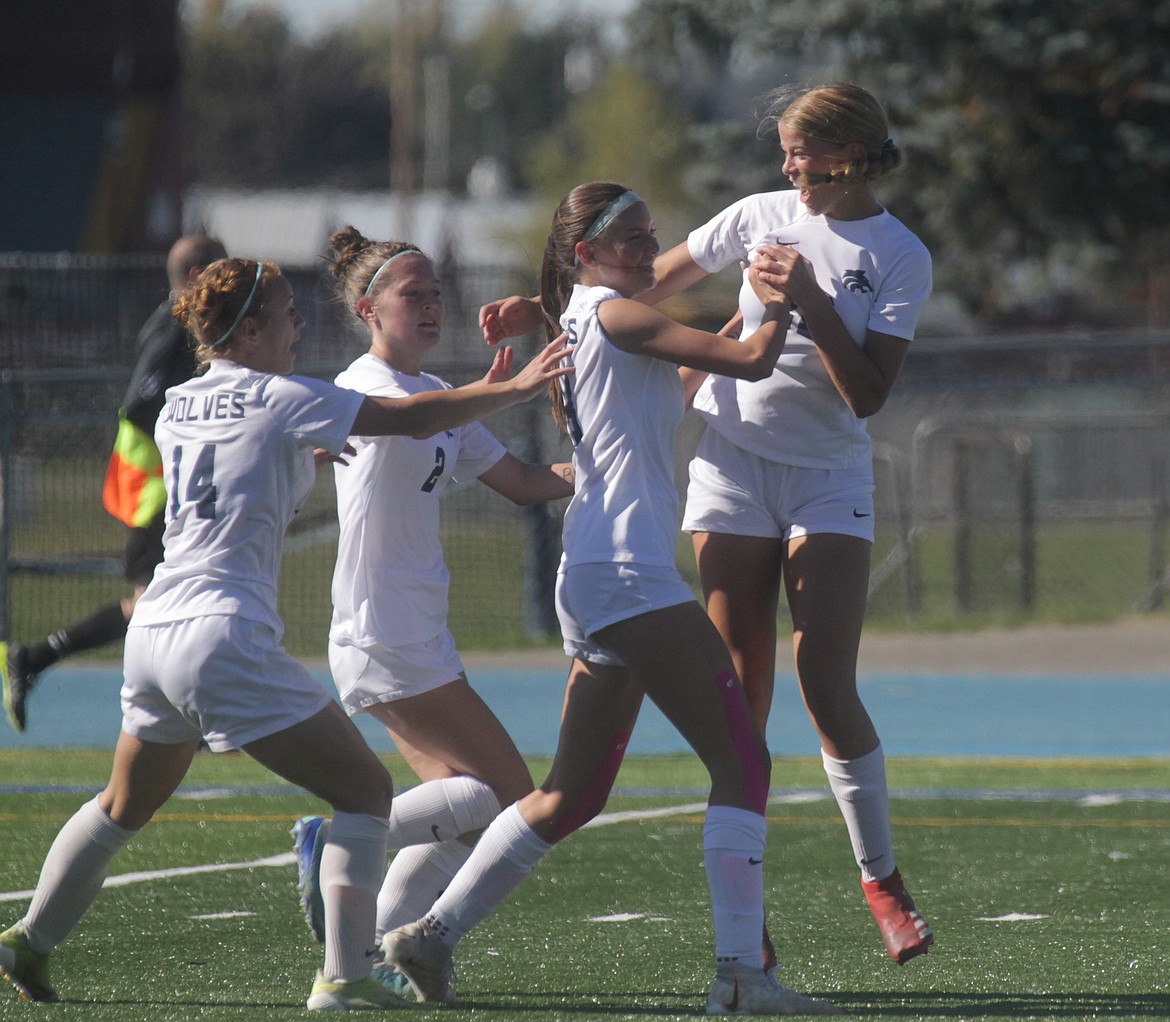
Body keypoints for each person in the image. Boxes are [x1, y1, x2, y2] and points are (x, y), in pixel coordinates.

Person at [0, 257, 573, 1011]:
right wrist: (515, 387)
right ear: (255, 330)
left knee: (120, 807)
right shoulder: (285, 396)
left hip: (154, 631)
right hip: (221, 636)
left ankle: (29, 940)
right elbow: (402, 419)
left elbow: (242, 470)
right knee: (366, 792)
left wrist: (300, 454)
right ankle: (343, 974)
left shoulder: (179, 403)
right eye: (288, 315)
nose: (300, 326)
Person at [479, 82, 935, 967]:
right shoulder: (759, 214)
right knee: (741, 693)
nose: (787, 167)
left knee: (827, 681)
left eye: (801, 153)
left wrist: (804, 299)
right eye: (787, 153)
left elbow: (870, 395)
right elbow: (629, 283)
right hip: (729, 468)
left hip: (826, 476)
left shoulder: (899, 254)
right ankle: (746, 924)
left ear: (846, 153)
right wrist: (537, 309)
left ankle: (879, 876)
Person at [382, 182, 840, 1016]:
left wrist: (746, 309)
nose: (645, 249)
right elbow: (748, 362)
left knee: (572, 794)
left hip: (598, 574)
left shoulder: (598, 321)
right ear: (582, 252)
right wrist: (783, 300)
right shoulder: (612, 315)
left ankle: (431, 934)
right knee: (743, 762)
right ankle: (742, 979)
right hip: (627, 576)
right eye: (626, 238)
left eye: (649, 234)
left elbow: (696, 373)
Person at [290, 227, 575, 989]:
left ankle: (380, 950)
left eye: (435, 293)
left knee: (476, 809)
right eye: (411, 294)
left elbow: (519, 479)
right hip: (385, 630)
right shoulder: (367, 385)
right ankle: (337, 840)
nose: (430, 305)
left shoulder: (435, 397)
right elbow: (409, 420)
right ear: (368, 309)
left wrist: (602, 470)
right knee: (517, 799)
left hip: (415, 630)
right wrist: (509, 390)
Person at [1, 234, 227, 735]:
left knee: (158, 600)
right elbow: (142, 402)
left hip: (167, 486)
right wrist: (191, 431)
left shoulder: (178, 321)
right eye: (220, 272)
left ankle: (37, 657)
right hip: (158, 488)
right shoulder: (175, 327)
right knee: (158, 601)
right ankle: (174, 716)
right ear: (196, 278)